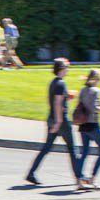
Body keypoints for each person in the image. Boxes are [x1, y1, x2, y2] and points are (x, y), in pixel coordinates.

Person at [25, 58, 85, 189]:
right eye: (67, 67)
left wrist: (68, 97)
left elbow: (54, 100)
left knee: (46, 149)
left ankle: (31, 173)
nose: (68, 69)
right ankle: (80, 177)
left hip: (52, 118)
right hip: (61, 121)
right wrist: (58, 122)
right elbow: (57, 103)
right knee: (73, 149)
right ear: (62, 69)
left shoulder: (54, 83)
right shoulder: (60, 83)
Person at [75, 68, 100, 190]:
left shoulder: (83, 90)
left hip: (82, 126)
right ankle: (92, 179)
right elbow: (95, 108)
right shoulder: (96, 90)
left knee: (85, 153)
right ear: (96, 79)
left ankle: (79, 181)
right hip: (93, 125)